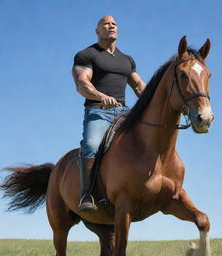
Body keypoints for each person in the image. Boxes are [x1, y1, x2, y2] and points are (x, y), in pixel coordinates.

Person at [72, 15, 146, 211]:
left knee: (149, 138)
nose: (111, 26)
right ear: (97, 30)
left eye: (114, 24)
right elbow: (82, 84)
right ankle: (86, 195)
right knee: (91, 145)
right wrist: (100, 96)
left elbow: (139, 86)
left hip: (124, 112)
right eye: (106, 23)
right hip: (99, 112)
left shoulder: (126, 60)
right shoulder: (87, 55)